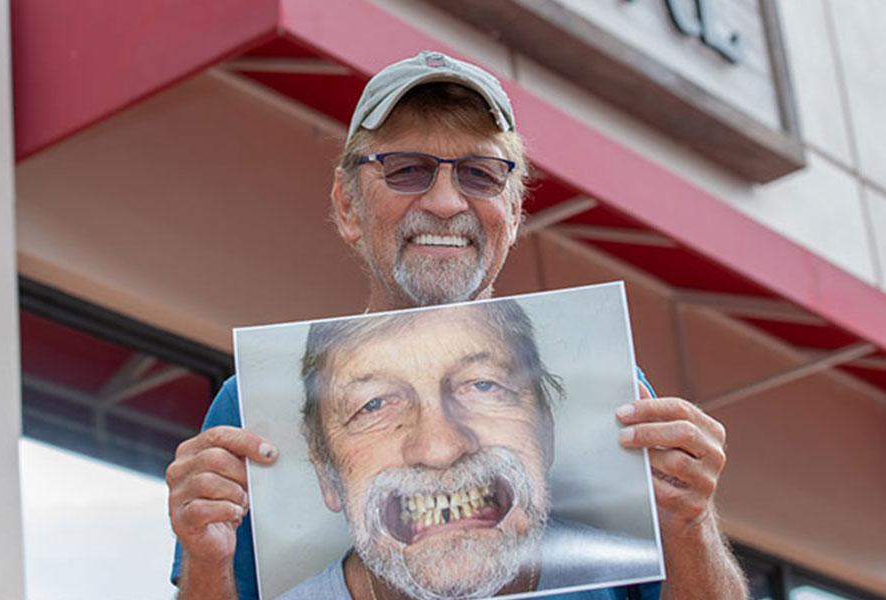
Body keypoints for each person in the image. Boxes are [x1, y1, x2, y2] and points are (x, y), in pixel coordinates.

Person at [166, 51, 747, 600]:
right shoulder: (250, 406)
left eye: (480, 174)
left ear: (514, 212)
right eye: (406, 169)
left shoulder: (619, 390)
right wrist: (205, 558)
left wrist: (690, 523)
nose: (446, 202)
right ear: (348, 206)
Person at [281, 299, 661, 600]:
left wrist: (691, 525)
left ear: (546, 431)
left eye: (482, 385)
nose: (440, 448)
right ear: (326, 474)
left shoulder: (631, 570)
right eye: (375, 404)